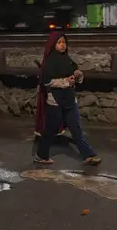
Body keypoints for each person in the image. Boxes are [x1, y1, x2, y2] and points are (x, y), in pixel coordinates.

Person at [33, 32, 102, 165]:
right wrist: (65, 81)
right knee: (51, 130)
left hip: (70, 99)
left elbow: (77, 77)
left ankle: (89, 155)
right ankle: (41, 155)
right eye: (59, 42)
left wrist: (78, 75)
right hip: (55, 101)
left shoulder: (68, 60)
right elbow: (47, 82)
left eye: (64, 42)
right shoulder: (48, 63)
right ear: (53, 45)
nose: (62, 45)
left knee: (76, 129)